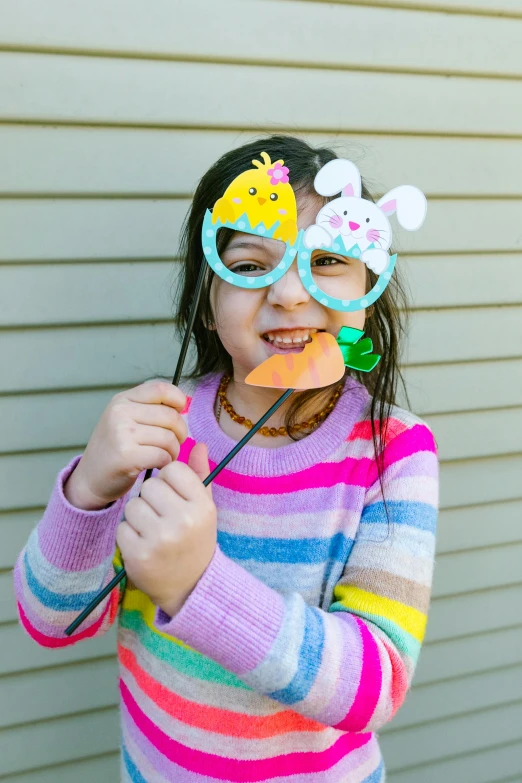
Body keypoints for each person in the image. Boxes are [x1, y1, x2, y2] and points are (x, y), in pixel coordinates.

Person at [13, 135, 439, 782]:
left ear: (369, 287)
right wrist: (92, 487)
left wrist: (196, 584)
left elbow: (373, 685)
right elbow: (51, 620)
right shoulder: (161, 430)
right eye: (248, 264)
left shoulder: (394, 453)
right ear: (207, 304)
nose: (292, 291)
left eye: (327, 258)